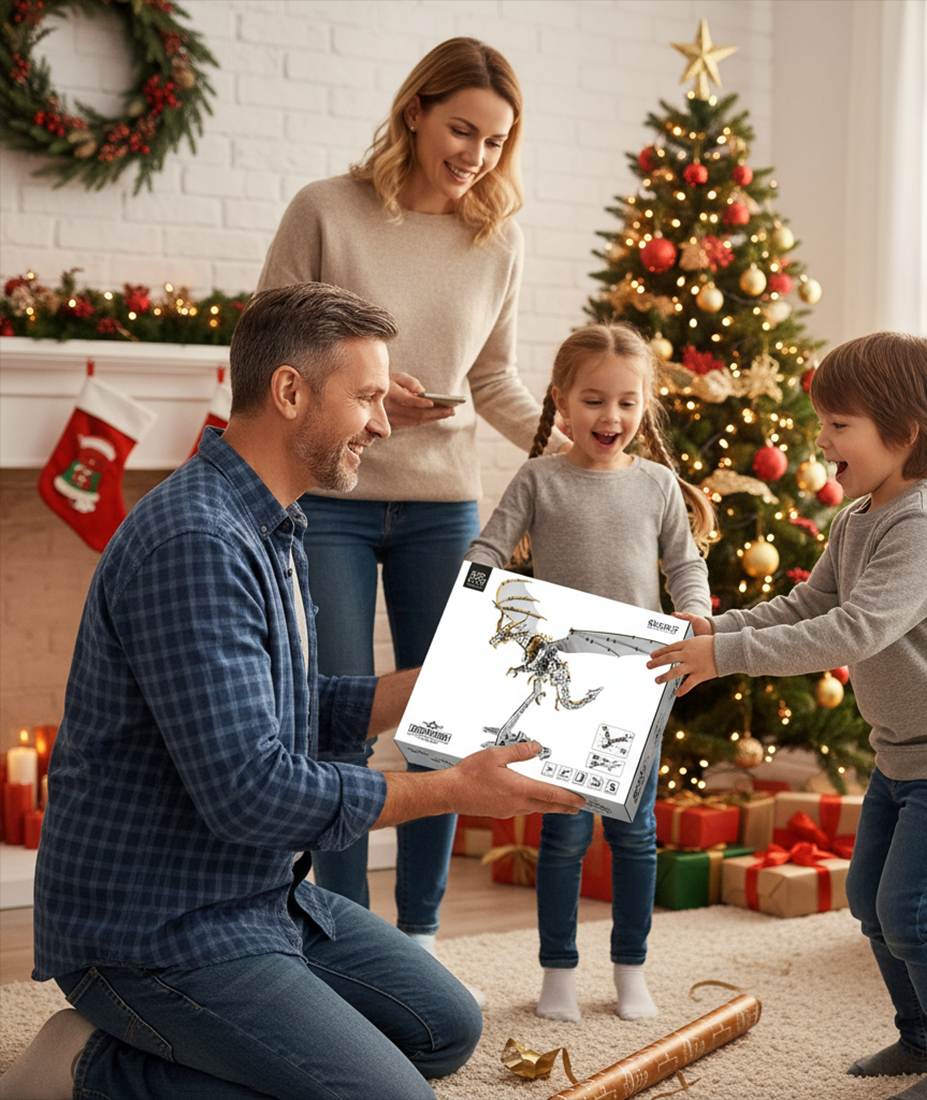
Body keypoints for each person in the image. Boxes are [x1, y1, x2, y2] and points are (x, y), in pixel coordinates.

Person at [0, 282, 585, 1100]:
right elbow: (250, 792)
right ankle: (87, 1066)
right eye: (370, 397)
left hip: (257, 896)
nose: (382, 424)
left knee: (445, 1028)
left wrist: (414, 691)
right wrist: (453, 790)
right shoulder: (198, 543)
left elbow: (288, 709)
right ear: (289, 391)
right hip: (158, 928)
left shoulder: (268, 522)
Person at [254, 38, 566, 978]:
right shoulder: (326, 211)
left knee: (450, 719)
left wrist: (575, 448)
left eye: (495, 140)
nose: (474, 154)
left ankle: (418, 938)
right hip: (337, 500)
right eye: (461, 128)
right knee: (339, 723)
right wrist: (373, 398)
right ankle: (338, 932)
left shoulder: (496, 238)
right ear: (415, 113)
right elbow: (270, 340)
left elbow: (496, 380)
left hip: (443, 505)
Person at [648, 332, 927, 1100]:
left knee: (912, 912)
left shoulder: (925, 525)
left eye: (839, 423)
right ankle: (919, 1037)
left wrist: (725, 660)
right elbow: (811, 603)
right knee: (869, 903)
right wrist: (719, 628)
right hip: (904, 752)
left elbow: (854, 630)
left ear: (905, 432)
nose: (821, 438)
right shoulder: (857, 518)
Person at [464, 322, 716, 1023]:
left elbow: (685, 565)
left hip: (639, 688)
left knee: (634, 835)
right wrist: (474, 597)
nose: (612, 418)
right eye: (595, 400)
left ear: (645, 407)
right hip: (560, 689)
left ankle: (630, 970)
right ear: (563, 402)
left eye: (628, 403)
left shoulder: (661, 486)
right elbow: (488, 548)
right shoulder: (540, 478)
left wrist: (695, 612)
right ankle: (558, 976)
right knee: (564, 835)